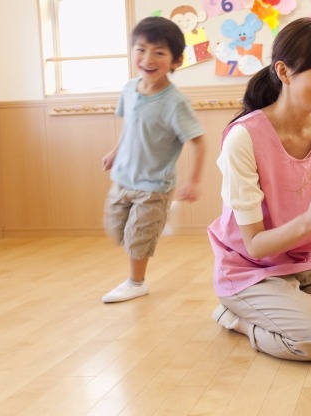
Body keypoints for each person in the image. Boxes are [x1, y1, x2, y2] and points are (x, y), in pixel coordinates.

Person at [207, 18, 311, 361]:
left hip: (306, 261)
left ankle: (294, 301)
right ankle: (236, 317)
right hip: (249, 268)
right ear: (283, 72)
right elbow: (254, 245)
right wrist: (310, 220)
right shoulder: (244, 137)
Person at [101, 16, 205, 303]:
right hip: (122, 177)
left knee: (137, 239)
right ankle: (151, 229)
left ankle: (136, 282)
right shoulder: (129, 89)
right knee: (114, 229)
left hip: (154, 185)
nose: (148, 58)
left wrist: (193, 181)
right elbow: (130, 128)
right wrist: (115, 151)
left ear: (176, 60)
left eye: (159, 52)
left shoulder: (175, 103)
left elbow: (197, 140)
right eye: (141, 49)